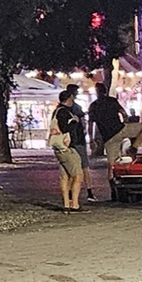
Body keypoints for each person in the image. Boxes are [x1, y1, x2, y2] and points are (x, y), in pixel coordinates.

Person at [49, 84, 86, 212]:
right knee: (78, 176)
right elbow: (65, 128)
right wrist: (74, 121)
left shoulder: (57, 110)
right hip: (67, 148)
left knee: (65, 176)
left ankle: (66, 204)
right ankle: (74, 204)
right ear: (69, 98)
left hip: (59, 148)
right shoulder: (64, 112)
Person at [87, 88, 128, 200]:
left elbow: (90, 124)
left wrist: (91, 139)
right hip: (119, 132)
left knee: (111, 164)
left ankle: (114, 190)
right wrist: (124, 124)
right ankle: (122, 186)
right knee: (123, 159)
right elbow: (123, 113)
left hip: (108, 137)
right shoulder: (112, 101)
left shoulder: (94, 105)